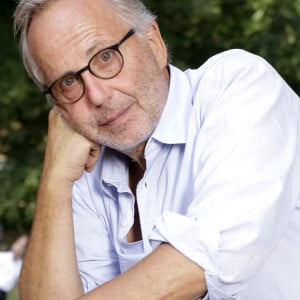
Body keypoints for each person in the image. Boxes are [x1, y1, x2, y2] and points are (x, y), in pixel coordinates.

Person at [13, 0, 300, 299]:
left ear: (154, 43)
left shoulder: (239, 86)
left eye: (105, 57)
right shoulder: (83, 171)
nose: (97, 95)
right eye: (68, 82)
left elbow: (205, 260)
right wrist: (54, 181)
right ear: (58, 107)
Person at [0, 235, 28, 300]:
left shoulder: (21, 267)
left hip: (2, 294)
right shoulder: (2, 257)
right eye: (18, 243)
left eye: (22, 246)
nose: (18, 247)